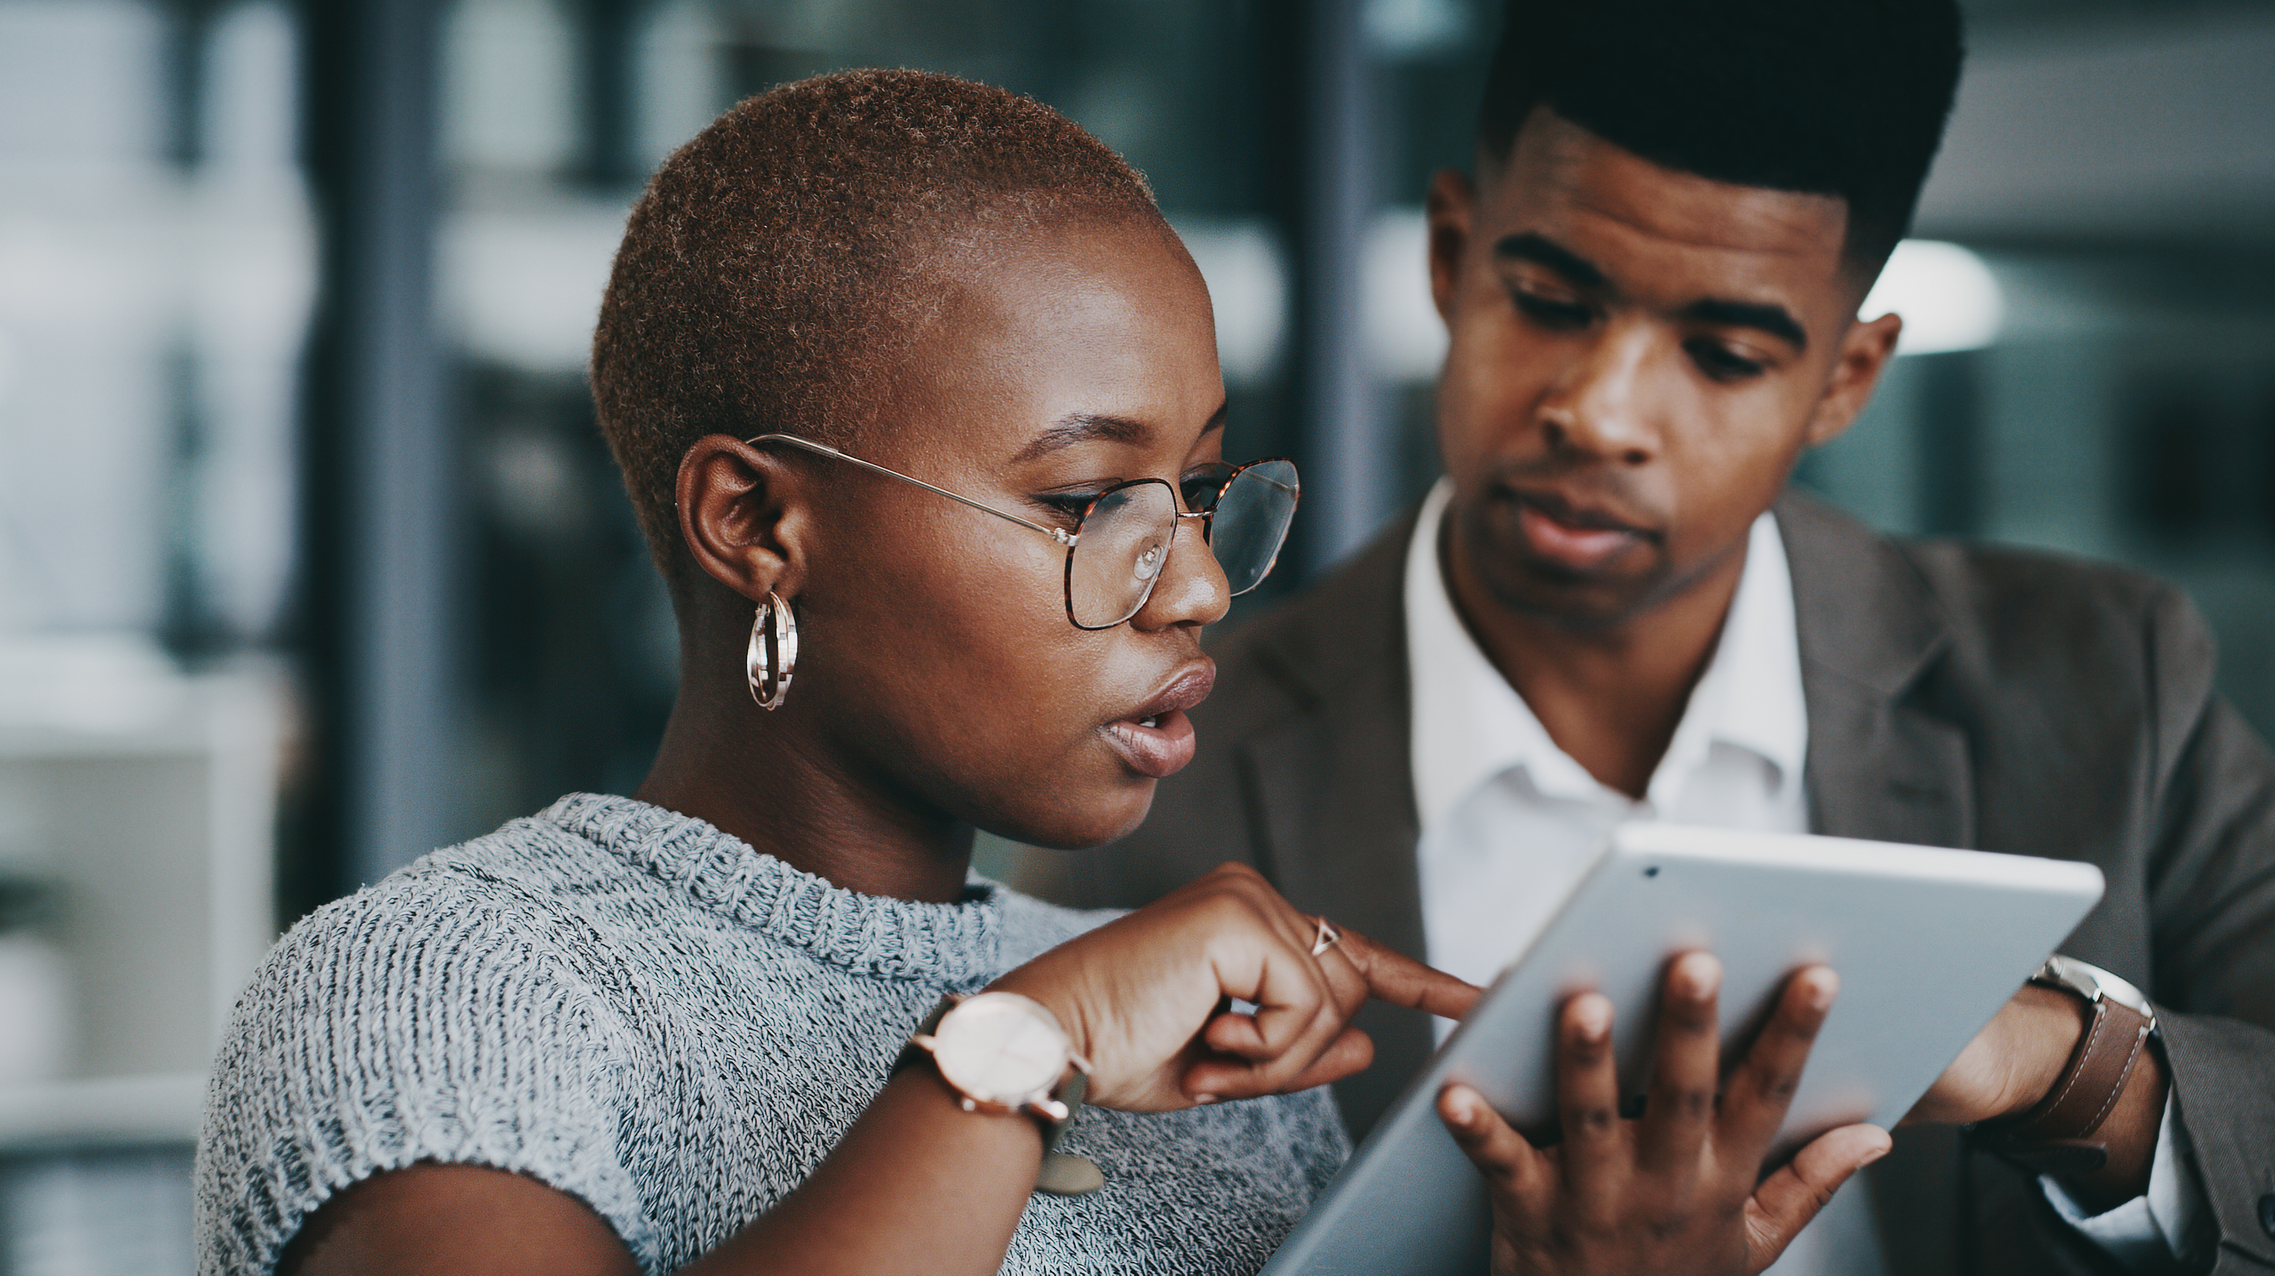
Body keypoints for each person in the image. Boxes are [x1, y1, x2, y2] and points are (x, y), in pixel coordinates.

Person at [192, 71, 1880, 1276]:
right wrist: (1007, 1054)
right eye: (1089, 502)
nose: (1203, 583)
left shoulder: (1225, 1070)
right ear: (757, 525)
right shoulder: (444, 986)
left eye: (1206, 492)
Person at [1045, 2, 2275, 1273]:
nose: (1601, 414)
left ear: (1845, 380)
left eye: (1722, 354)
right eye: (1550, 301)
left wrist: (2054, 1065)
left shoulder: (2112, 682)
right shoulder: (1146, 757)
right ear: (1452, 256)